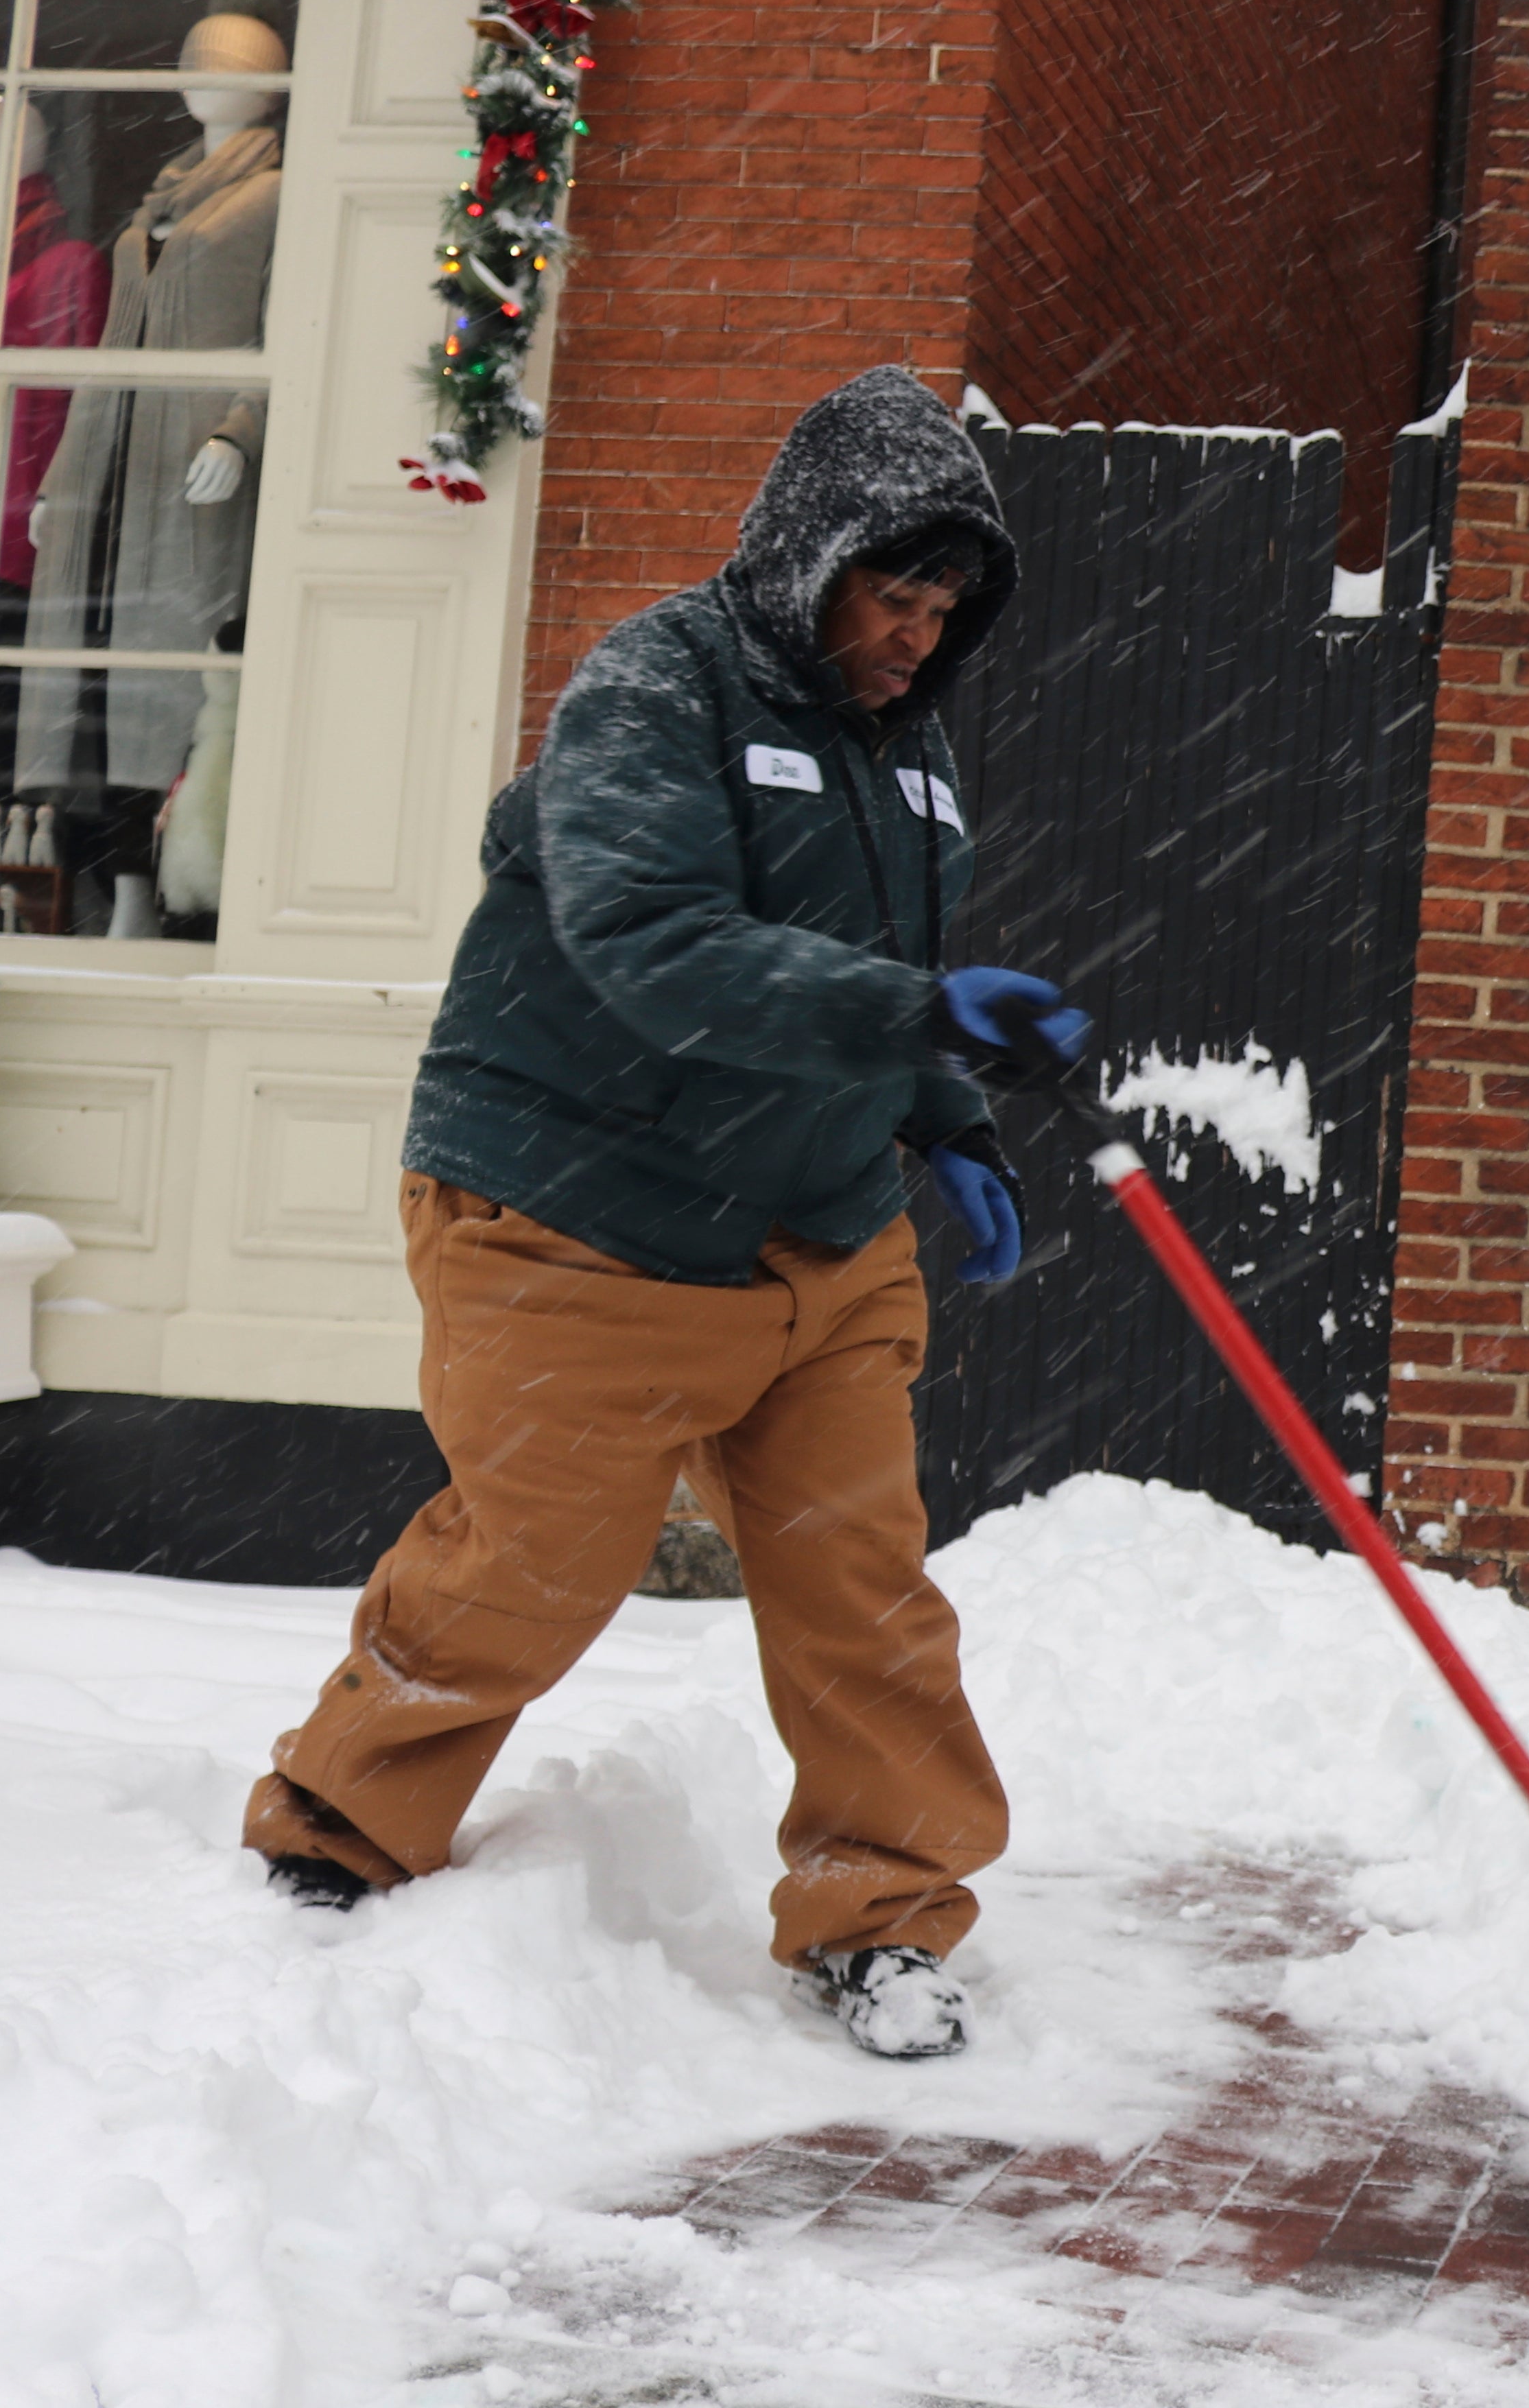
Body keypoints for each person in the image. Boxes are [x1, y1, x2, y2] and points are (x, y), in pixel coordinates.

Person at [242, 366, 1089, 2062]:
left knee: (866, 1595)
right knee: (536, 1561)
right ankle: (335, 1829)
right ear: (807, 552)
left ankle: (885, 1914)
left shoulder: (909, 752)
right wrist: (919, 1023)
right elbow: (655, 945)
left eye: (940, 608)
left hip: (822, 1241)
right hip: (584, 1214)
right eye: (890, 591)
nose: (916, 636)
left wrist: (953, 1118)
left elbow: (887, 977)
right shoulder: (657, 685)